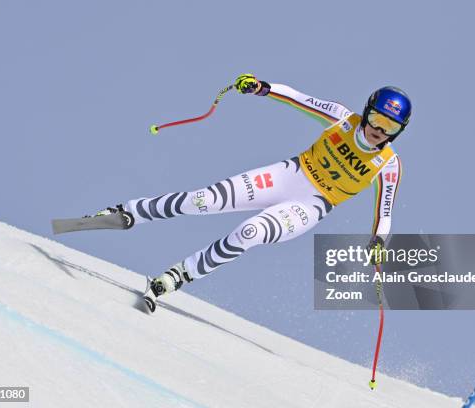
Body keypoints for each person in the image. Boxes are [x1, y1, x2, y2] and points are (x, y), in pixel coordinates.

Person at [101, 74, 412, 312]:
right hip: (290, 175)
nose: (379, 130)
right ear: (367, 111)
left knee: (250, 233)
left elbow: (384, 216)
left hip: (311, 205)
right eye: (376, 119)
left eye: (390, 127)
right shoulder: (342, 118)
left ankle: (177, 276)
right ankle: (127, 212)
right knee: (203, 200)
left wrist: (378, 243)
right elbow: (297, 98)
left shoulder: (389, 165)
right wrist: (262, 87)